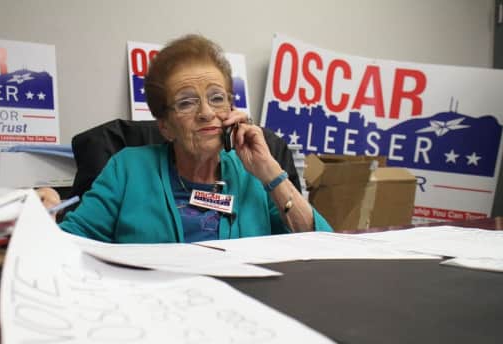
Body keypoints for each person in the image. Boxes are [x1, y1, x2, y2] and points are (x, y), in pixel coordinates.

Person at [52, 34, 332, 243]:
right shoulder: (126, 169)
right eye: (186, 102)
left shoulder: (254, 177)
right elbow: (68, 244)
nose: (207, 113)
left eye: (217, 98)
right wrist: (43, 216)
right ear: (165, 126)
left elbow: (320, 247)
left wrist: (270, 172)